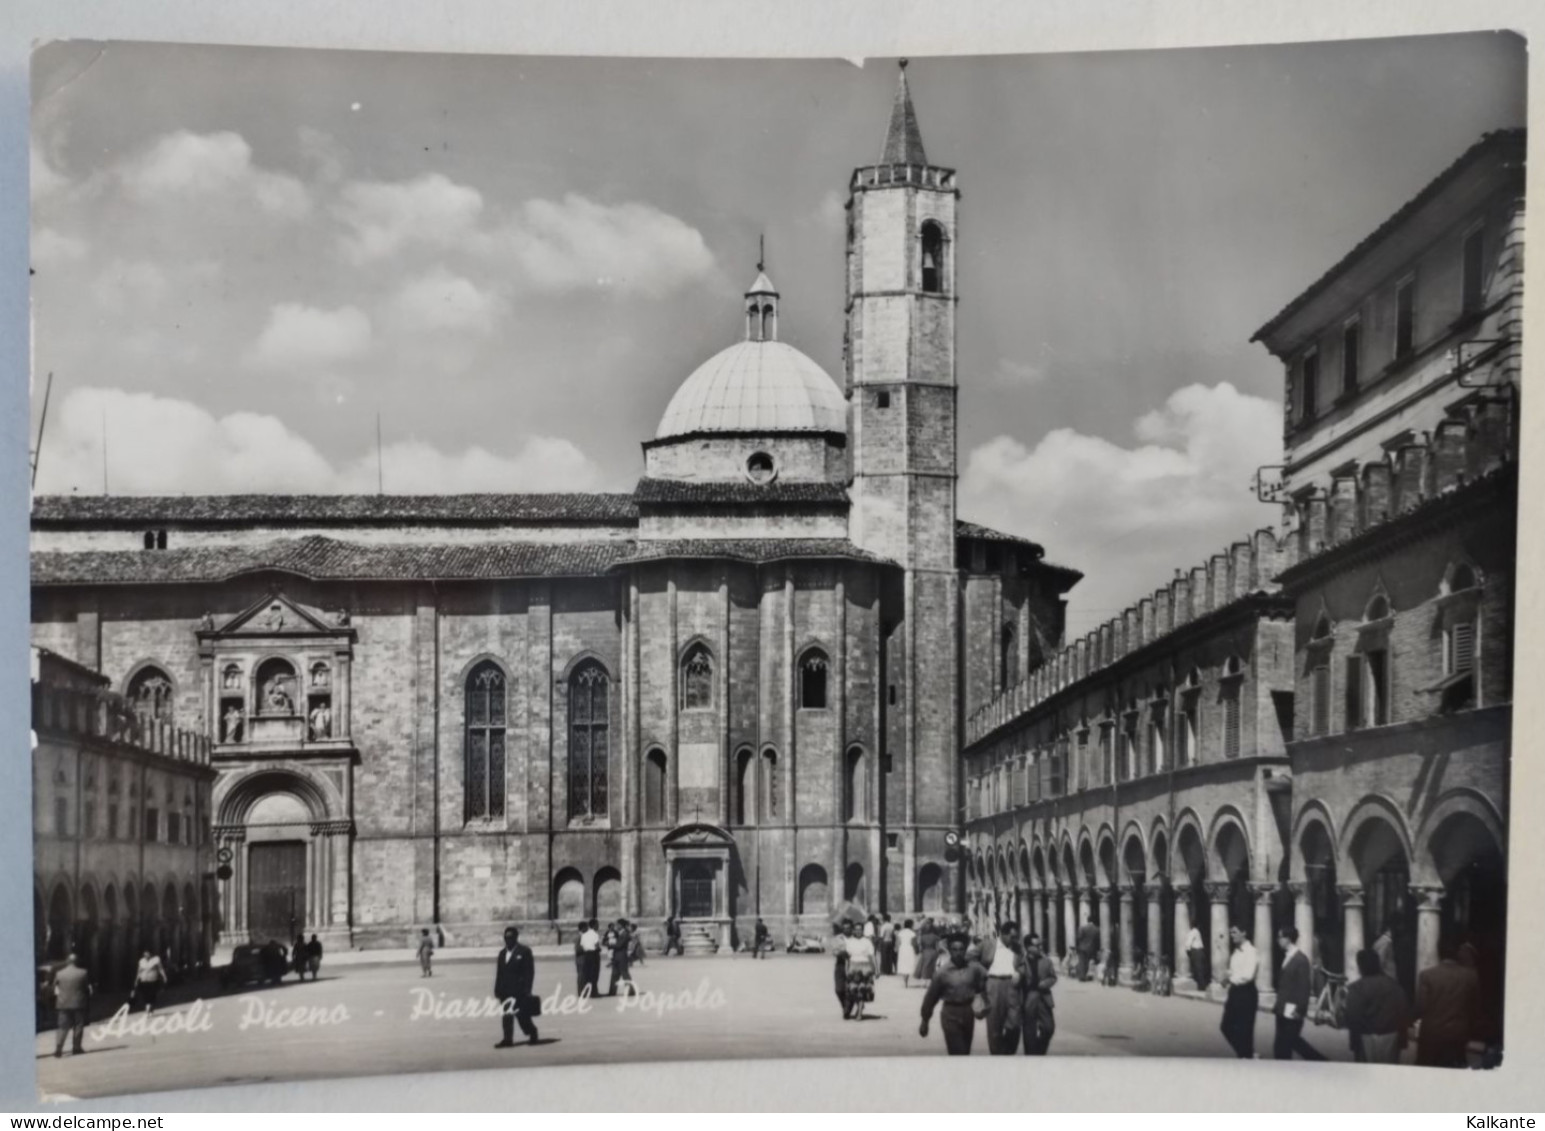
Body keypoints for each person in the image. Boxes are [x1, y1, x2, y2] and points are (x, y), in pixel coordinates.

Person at [1415, 937, 1480, 1068]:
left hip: (1432, 1034)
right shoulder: (1471, 976)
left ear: (1438, 952)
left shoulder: (1427, 975)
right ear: (1457, 953)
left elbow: (1420, 1008)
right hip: (1458, 1034)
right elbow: (1475, 1009)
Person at [920, 934, 988, 1055]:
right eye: (954, 949)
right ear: (950, 951)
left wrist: (983, 1003)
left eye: (961, 949)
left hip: (968, 1013)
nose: (958, 953)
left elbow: (982, 986)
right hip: (950, 1013)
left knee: (965, 1051)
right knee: (957, 1051)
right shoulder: (942, 973)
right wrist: (925, 1021)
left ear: (965, 950)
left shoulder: (974, 969)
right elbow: (930, 998)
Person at [1345, 948, 1408, 1063]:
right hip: (1391, 1036)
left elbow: (1353, 1017)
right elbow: (1402, 1013)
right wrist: (1402, 1040)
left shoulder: (1356, 988)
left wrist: (1354, 1043)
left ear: (1361, 966)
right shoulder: (1394, 985)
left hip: (1366, 1037)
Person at [1272, 926, 1326, 1061]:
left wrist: (1300, 1009)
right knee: (1283, 1045)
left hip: (1292, 1009)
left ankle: (1319, 1060)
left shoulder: (1300, 959)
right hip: (1283, 1008)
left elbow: (1304, 987)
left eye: (1280, 937)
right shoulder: (1287, 957)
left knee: (1288, 1043)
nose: (1277, 940)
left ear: (1288, 939)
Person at [978, 920, 1024, 1054]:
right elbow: (971, 959)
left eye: (1016, 936)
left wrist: (1020, 973)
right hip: (993, 984)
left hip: (1012, 986)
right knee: (994, 1024)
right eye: (1012, 936)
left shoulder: (1018, 948)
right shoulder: (987, 945)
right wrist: (983, 972)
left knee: (1015, 1024)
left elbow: (1023, 964)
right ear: (1002, 934)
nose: (1014, 939)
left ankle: (1008, 1053)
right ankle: (996, 1055)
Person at [493, 926, 539, 1048]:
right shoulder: (502, 954)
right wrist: (497, 989)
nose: (508, 940)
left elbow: (529, 972)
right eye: (506, 938)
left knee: (522, 1016)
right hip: (505, 991)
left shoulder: (524, 951)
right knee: (507, 1016)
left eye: (511, 937)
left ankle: (532, 1031)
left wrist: (527, 989)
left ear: (516, 938)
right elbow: (499, 973)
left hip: (519, 990)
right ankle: (507, 1039)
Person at [1219, 925, 1259, 1059]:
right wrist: (1227, 976)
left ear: (1244, 932)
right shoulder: (1236, 951)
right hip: (1235, 992)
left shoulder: (1251, 951)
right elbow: (1234, 970)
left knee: (1245, 1030)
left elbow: (1248, 975)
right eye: (1231, 933)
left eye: (1235, 932)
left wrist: (1230, 979)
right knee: (1226, 1026)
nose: (1232, 935)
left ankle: (1246, 1056)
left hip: (1246, 993)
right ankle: (1246, 1054)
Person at [1021, 931, 1059, 1055]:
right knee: (1029, 1031)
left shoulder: (1046, 961)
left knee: (1049, 1028)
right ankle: (1031, 1056)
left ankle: (1039, 1051)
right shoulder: (1020, 961)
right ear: (1028, 947)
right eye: (1037, 946)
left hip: (1043, 997)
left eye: (1040, 945)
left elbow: (1053, 977)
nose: (1040, 948)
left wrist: (1046, 983)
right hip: (1028, 997)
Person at [51, 954, 91, 1058]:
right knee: (78, 1025)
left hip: (63, 1004)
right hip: (78, 1003)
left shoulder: (59, 973)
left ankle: (58, 1049)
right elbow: (87, 988)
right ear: (77, 962)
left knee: (62, 1027)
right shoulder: (83, 973)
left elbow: (54, 988)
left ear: (67, 962)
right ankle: (76, 1047)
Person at [841, 920, 878, 1019]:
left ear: (863, 931)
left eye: (860, 930)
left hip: (865, 967)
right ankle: (860, 1007)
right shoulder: (850, 942)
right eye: (856, 930)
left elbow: (872, 956)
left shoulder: (867, 941)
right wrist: (846, 970)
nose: (858, 932)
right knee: (853, 990)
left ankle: (860, 1013)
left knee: (862, 989)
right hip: (853, 966)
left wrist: (876, 969)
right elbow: (847, 958)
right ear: (853, 930)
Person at [132, 948, 167, 1013]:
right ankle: (148, 1006)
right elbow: (139, 971)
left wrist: (164, 976)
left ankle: (151, 1006)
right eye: (145, 954)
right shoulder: (141, 961)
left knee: (152, 994)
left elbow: (160, 969)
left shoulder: (156, 959)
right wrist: (136, 980)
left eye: (147, 953)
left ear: (150, 954)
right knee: (145, 994)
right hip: (144, 980)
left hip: (153, 980)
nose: (146, 955)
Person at [608, 921, 637, 997]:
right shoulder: (619, 933)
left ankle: (631, 991)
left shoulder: (625, 934)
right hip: (617, 955)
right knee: (614, 974)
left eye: (618, 924)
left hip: (622, 956)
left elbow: (619, 945)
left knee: (624, 974)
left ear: (622, 925)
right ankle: (612, 991)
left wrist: (609, 944)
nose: (616, 926)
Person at [579, 918, 603, 999]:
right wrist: (599, 949)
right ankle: (594, 992)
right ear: (594, 925)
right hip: (594, 955)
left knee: (587, 974)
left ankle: (586, 992)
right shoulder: (595, 934)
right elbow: (596, 946)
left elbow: (582, 946)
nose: (598, 926)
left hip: (586, 955)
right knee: (594, 974)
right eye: (597, 924)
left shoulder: (584, 934)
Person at [915, 918, 941, 983]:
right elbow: (938, 947)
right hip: (934, 952)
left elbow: (920, 947)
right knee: (933, 967)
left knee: (925, 967)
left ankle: (924, 981)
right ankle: (932, 981)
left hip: (925, 952)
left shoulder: (922, 937)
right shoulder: (936, 937)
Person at [896, 919, 920, 989]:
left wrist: (897, 949)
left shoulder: (901, 932)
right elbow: (914, 943)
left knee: (903, 963)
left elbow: (898, 943)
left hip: (902, 948)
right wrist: (917, 951)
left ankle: (905, 980)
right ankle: (906, 979)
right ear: (910, 925)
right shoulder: (912, 933)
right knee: (908, 963)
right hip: (909, 949)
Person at [1076, 918, 1100, 982]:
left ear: (1088, 920)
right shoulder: (1097, 929)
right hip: (1091, 948)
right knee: (1089, 962)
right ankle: (1088, 974)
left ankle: (1082, 976)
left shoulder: (1083, 928)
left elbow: (1079, 937)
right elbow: (1097, 940)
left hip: (1082, 947)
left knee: (1082, 962)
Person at [1186, 923, 1208, 990]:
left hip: (1197, 951)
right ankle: (1201, 986)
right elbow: (1188, 944)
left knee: (1199, 968)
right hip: (1197, 951)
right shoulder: (1195, 932)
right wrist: (1189, 950)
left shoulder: (1195, 932)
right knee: (1199, 969)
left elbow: (1188, 944)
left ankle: (1201, 986)